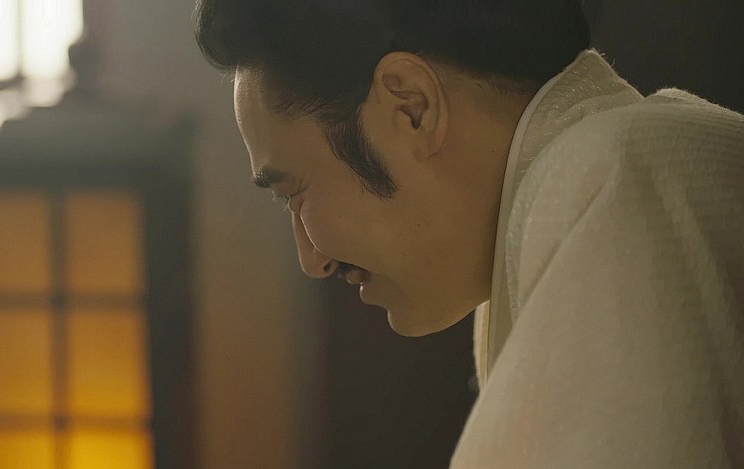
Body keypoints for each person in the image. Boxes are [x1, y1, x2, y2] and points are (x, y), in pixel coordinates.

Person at [194, 0, 744, 467]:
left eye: (294, 193)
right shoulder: (588, 182)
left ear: (411, 106)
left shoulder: (622, 175)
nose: (312, 261)